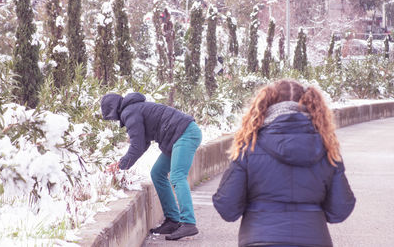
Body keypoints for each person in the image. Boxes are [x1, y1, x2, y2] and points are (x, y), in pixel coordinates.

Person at [212, 79, 356, 247]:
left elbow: (227, 208)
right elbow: (339, 210)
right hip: (313, 239)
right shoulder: (328, 150)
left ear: (265, 106)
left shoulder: (248, 148)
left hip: (260, 238)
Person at [101, 92, 202, 241]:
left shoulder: (130, 112)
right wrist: (124, 163)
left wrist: (121, 165)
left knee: (177, 176)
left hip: (185, 133)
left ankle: (188, 222)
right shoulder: (134, 109)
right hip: (175, 137)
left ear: (113, 110)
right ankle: (172, 220)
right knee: (157, 173)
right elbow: (143, 143)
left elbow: (137, 145)